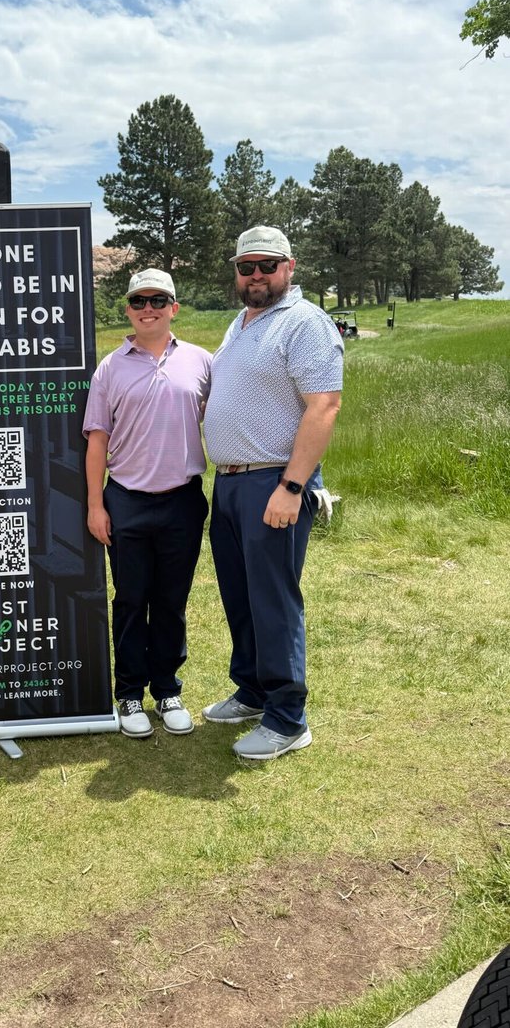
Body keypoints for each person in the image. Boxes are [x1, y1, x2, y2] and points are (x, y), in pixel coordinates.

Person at [202, 227, 343, 761]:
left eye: (266, 264)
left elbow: (323, 406)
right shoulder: (240, 324)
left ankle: (288, 718)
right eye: (245, 266)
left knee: (273, 599)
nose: (255, 274)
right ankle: (254, 691)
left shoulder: (304, 323)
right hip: (232, 481)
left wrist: (292, 486)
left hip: (274, 480)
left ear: (290, 266)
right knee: (240, 595)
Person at [83, 268, 212, 738]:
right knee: (132, 600)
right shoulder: (110, 368)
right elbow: (97, 442)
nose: (149, 308)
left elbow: (220, 419)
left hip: (182, 500)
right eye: (139, 301)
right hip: (127, 501)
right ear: (128, 310)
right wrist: (96, 506)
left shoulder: (201, 361)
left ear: (174, 308)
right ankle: (130, 694)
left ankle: (168, 689)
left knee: (172, 601)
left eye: (159, 300)